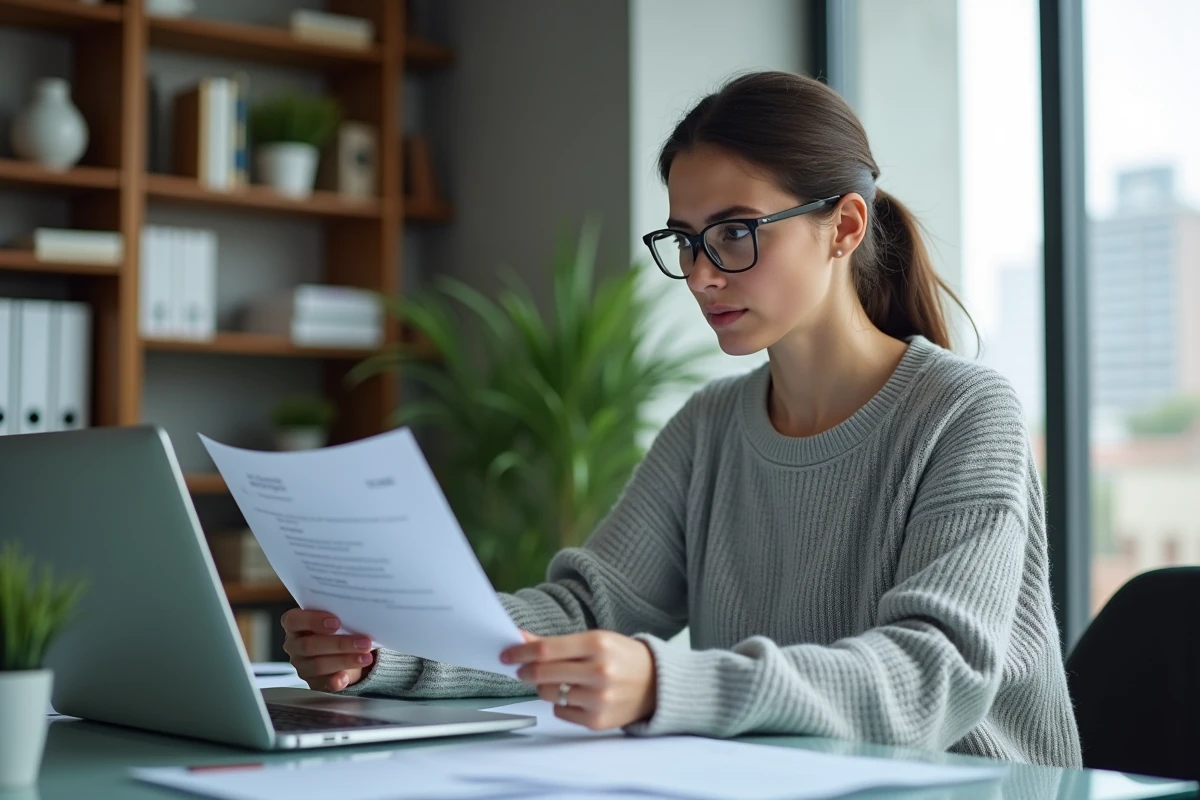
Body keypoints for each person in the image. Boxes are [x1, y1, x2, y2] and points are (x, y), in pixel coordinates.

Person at [281, 70, 1082, 768]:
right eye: (685, 240)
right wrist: (389, 647)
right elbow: (585, 614)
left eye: (734, 233)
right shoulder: (711, 425)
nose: (700, 275)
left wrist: (668, 682)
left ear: (842, 227)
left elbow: (929, 676)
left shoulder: (967, 414)